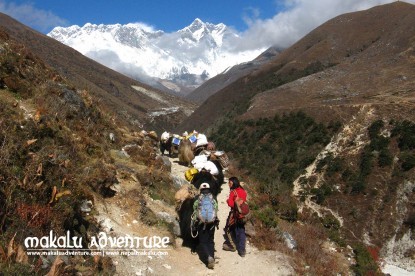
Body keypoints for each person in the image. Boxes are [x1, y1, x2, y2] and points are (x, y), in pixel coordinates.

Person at [192, 183, 219, 269]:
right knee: (210, 240)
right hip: (212, 223)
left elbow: (194, 208)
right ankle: (211, 256)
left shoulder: (198, 199)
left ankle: (208, 256)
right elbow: (216, 208)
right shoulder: (213, 198)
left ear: (200, 190)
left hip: (201, 223)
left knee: (203, 241)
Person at [223, 176, 247, 257]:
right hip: (242, 214)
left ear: (233, 183)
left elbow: (230, 204)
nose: (228, 185)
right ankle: (242, 250)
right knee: (241, 230)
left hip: (235, 214)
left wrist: (227, 200)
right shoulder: (243, 191)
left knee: (229, 228)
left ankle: (233, 245)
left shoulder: (233, 192)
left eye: (230, 183)